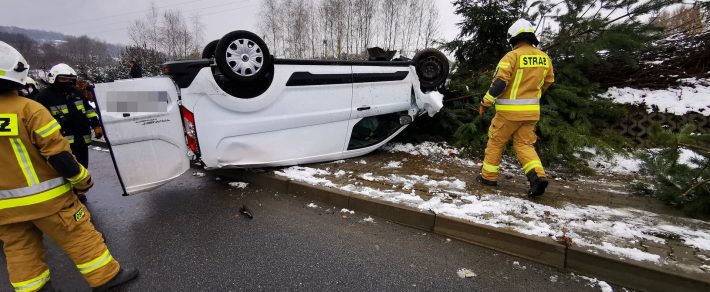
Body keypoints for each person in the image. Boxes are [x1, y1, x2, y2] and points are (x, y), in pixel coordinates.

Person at [0, 41, 137, 292]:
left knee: (19, 248)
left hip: (5, 208)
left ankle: (33, 288)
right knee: (79, 235)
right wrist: (82, 180)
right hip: (47, 200)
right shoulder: (29, 109)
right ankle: (106, 277)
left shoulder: (61, 98)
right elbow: (59, 156)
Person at [476, 19, 555, 197]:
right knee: (525, 145)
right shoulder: (544, 58)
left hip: (508, 114)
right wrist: (533, 94)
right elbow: (549, 81)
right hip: (531, 113)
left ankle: (488, 177)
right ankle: (538, 177)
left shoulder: (512, 57)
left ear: (513, 38)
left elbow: (499, 83)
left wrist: (485, 103)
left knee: (496, 142)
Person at [35, 64, 103, 170]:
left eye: (71, 79)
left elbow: (88, 110)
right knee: (68, 173)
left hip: (81, 142)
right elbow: (39, 122)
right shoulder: (44, 97)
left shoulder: (77, 93)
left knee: (83, 171)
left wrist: (96, 125)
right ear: (53, 77)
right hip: (61, 146)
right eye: (63, 79)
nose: (67, 81)